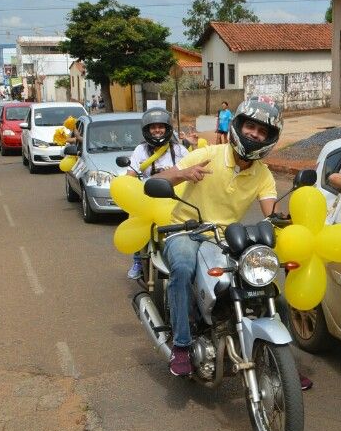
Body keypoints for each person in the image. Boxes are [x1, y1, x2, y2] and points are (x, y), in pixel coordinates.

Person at [154, 97, 313, 390]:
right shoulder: (209, 155)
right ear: (238, 126)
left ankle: (285, 364)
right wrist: (183, 173)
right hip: (185, 229)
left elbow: (270, 211)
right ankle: (181, 344)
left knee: (267, 288)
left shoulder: (263, 174)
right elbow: (160, 178)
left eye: (262, 131)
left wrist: (284, 219)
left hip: (226, 237)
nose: (254, 134)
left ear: (270, 139)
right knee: (183, 268)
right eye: (250, 126)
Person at [125, 108, 191, 280]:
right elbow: (130, 175)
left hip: (176, 199)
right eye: (152, 127)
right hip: (149, 199)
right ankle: (138, 259)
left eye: (160, 126)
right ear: (147, 130)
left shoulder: (179, 150)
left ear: (167, 128)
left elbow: (193, 168)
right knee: (136, 220)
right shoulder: (140, 150)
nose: (157, 130)